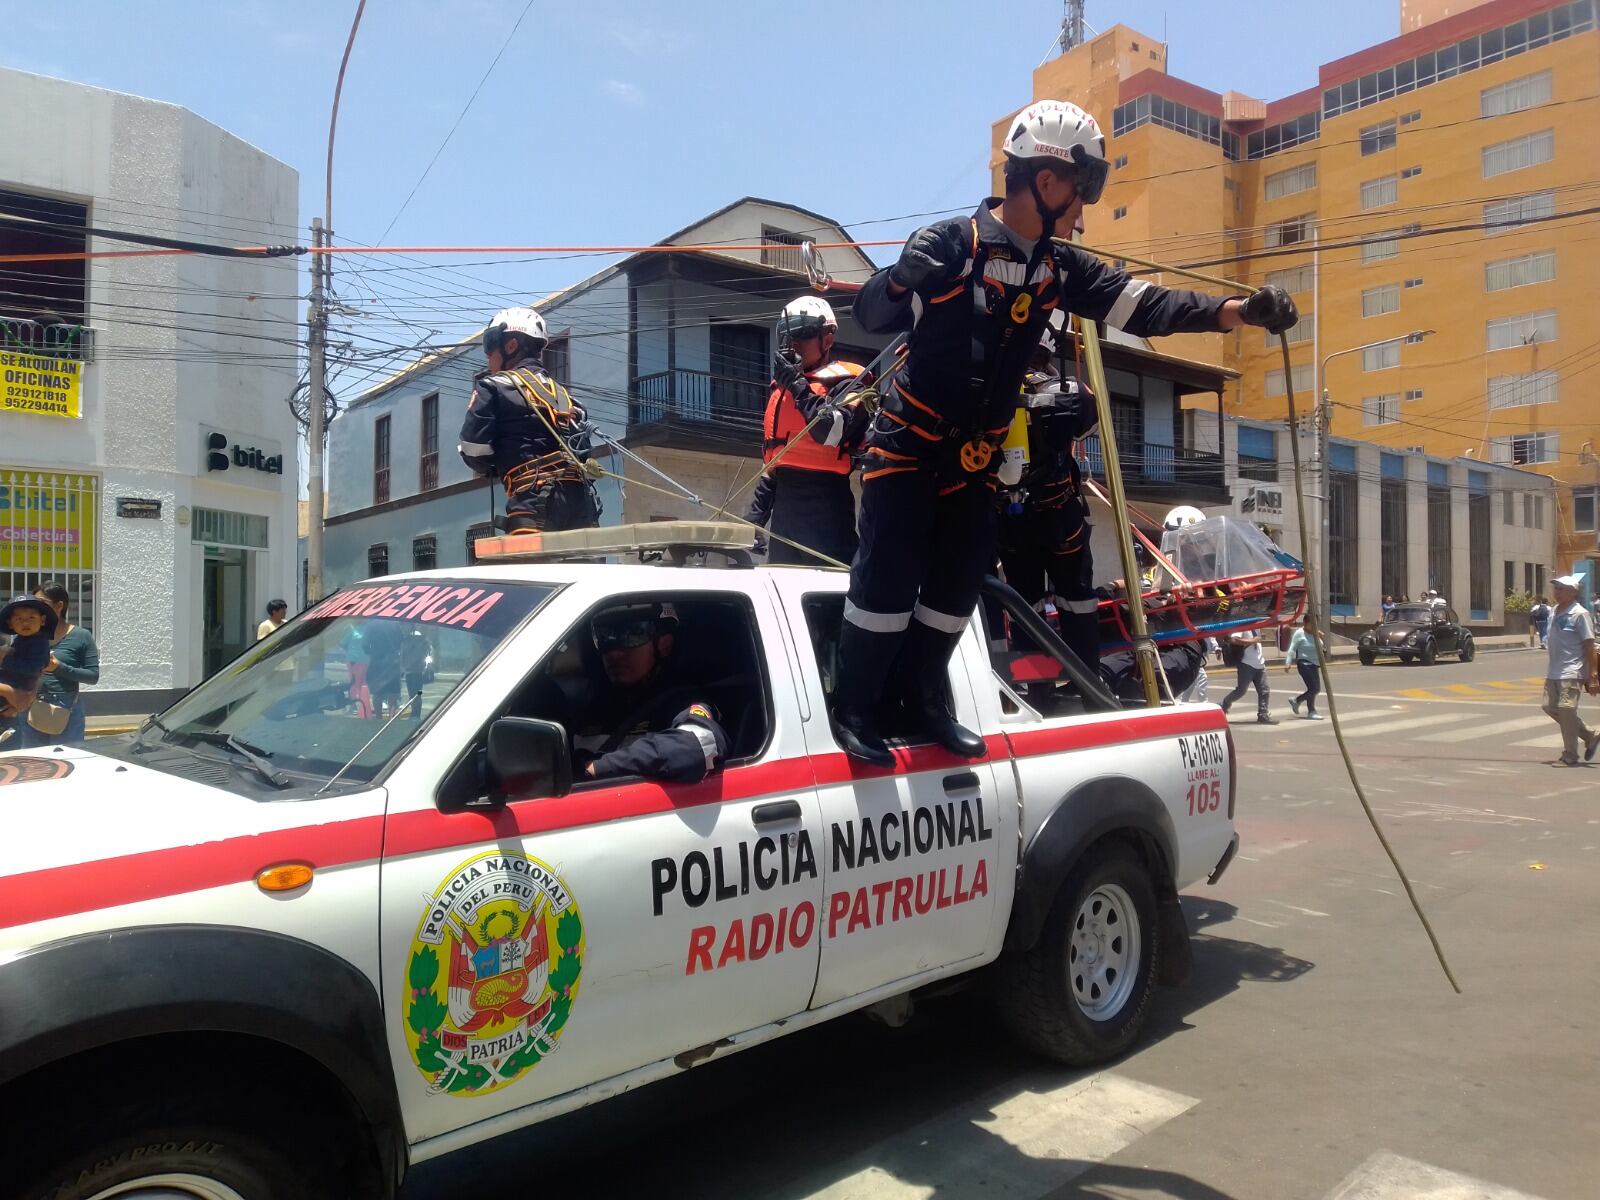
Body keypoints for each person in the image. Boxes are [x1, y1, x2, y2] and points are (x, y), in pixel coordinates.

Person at [832, 98, 1299, 764]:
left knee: (955, 588)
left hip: (977, 459)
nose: (1085, 209)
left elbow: (1149, 307)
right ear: (1048, 183)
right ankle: (855, 711)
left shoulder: (1058, 268)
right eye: (1082, 191)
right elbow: (873, 315)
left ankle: (922, 703)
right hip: (909, 446)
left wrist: (1240, 310)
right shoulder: (952, 247)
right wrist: (901, 272)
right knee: (886, 582)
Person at [993, 320, 1102, 671]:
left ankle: (1036, 690)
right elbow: (1091, 426)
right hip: (1060, 517)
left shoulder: (990, 388)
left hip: (1012, 518)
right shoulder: (1072, 390)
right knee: (1078, 602)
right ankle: (1088, 684)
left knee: (1026, 606)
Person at [458, 306, 598, 534]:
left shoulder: (493, 387)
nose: (487, 354)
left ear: (511, 346)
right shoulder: (569, 400)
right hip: (582, 504)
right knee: (579, 568)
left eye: (490, 343)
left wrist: (496, 463)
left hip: (533, 504)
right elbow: (583, 453)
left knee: (526, 569)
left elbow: (474, 449)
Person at [752, 296, 869, 566]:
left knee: (828, 599)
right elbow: (774, 466)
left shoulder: (851, 383)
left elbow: (829, 432)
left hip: (826, 509)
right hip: (784, 516)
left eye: (803, 334)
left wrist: (797, 385)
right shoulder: (781, 391)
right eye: (786, 335)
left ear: (827, 339)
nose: (792, 343)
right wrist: (754, 519)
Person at [568, 603, 728, 783]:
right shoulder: (590, 708)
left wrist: (597, 767)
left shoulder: (683, 702)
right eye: (604, 637)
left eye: (632, 634)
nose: (613, 653)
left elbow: (698, 745)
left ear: (664, 645)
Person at [1539, 575, 1598, 766]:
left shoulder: (1580, 614)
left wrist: (1593, 675)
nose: (1557, 591)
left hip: (1573, 670)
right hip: (1554, 671)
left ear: (1573, 592)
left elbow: (1589, 645)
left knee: (1566, 709)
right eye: (1556, 588)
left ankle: (1570, 753)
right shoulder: (1554, 611)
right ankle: (1590, 735)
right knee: (1549, 706)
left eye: (1562, 588)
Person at [0, 595, 56, 731]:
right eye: (19, 619)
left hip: (20, 687)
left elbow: (33, 669)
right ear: (10, 623)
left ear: (42, 620)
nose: (25, 623)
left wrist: (5, 659)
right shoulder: (20, 640)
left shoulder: (39, 642)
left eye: (31, 618)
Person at [1220, 628, 1277, 724]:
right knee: (1241, 690)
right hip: (1246, 664)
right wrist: (1252, 641)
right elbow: (1233, 639)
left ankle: (1263, 714)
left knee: (1264, 690)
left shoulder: (1257, 627)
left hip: (1259, 663)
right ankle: (1225, 703)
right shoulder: (1244, 626)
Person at [1285, 616, 1324, 720]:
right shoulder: (1299, 633)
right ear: (1305, 623)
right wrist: (1288, 662)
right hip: (1304, 663)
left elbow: (1320, 647)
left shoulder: (1316, 633)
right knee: (1313, 688)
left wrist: (1320, 637)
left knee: (1316, 689)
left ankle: (1302, 705)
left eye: (1316, 624)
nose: (1314, 626)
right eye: (1312, 624)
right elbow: (1292, 648)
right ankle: (1306, 707)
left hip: (1314, 664)